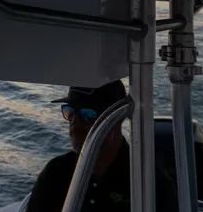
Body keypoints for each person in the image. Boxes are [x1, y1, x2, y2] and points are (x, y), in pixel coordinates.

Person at [27, 80, 178, 212]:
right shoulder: (55, 174)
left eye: (88, 114)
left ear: (116, 119)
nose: (76, 122)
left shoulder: (150, 183)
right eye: (70, 112)